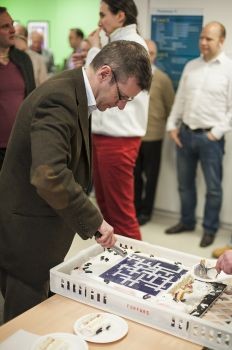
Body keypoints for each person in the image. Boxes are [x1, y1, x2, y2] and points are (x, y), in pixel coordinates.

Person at [0, 40, 152, 322]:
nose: (120, 106)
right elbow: (50, 174)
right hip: (26, 235)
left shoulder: (75, 92)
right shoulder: (58, 98)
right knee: (23, 324)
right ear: (105, 73)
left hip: (41, 226)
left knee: (38, 313)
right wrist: (95, 219)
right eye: (122, 96)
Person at [83, 0, 150, 241]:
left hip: (118, 137)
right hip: (107, 134)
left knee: (120, 213)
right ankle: (120, 265)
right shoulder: (116, 43)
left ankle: (138, 270)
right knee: (107, 210)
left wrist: (93, 49)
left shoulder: (130, 45)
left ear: (120, 15)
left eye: (103, 15)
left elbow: (95, 77)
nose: (99, 21)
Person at [165, 21, 232, 248]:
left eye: (209, 39)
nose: (203, 42)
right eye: (201, 37)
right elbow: (180, 99)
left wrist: (216, 132)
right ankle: (187, 221)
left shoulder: (229, 69)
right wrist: (172, 125)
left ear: (221, 41)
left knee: (213, 188)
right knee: (185, 184)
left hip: (210, 139)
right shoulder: (191, 66)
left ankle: (210, 229)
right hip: (185, 134)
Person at [134, 39, 175, 225]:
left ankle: (146, 212)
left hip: (153, 137)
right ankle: (134, 208)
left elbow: (170, 107)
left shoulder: (163, 79)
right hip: (133, 135)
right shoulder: (132, 75)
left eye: (151, 53)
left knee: (151, 177)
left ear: (155, 55)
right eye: (145, 52)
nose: (148, 56)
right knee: (134, 177)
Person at [0, 7, 35, 170]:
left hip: (19, 146)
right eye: (5, 27)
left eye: (12, 24)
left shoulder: (23, 60)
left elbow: (33, 100)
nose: (13, 30)